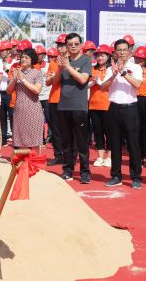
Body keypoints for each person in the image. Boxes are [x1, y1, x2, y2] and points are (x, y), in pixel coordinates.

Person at [101, 38, 143, 189]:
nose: (122, 52)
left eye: (125, 49)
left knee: (133, 144)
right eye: (119, 50)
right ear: (115, 52)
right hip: (114, 109)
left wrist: (123, 73)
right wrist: (113, 75)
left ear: (130, 51)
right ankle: (116, 175)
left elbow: (138, 84)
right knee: (115, 144)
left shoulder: (136, 67)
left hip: (130, 108)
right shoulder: (109, 69)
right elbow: (103, 88)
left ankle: (136, 177)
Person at [52, 33, 93, 183]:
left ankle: (85, 172)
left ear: (81, 45)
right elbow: (54, 82)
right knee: (66, 142)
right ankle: (67, 170)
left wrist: (68, 67)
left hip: (79, 107)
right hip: (63, 106)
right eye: (70, 44)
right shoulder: (63, 61)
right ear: (67, 46)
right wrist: (60, 68)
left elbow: (83, 79)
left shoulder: (85, 61)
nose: (73, 46)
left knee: (81, 142)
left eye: (76, 44)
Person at [6, 48, 44, 150]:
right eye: (22, 57)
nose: (23, 59)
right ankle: (23, 163)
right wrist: (14, 78)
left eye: (27, 57)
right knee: (21, 139)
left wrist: (23, 79)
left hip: (33, 109)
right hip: (19, 110)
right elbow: (8, 91)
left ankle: (35, 162)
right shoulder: (16, 71)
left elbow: (37, 90)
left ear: (32, 59)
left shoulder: (37, 73)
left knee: (34, 139)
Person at [45, 34, 67, 166]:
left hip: (68, 100)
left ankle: (69, 154)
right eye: (58, 45)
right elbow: (48, 82)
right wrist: (54, 77)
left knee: (68, 130)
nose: (59, 48)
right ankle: (58, 155)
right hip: (54, 99)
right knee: (56, 130)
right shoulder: (53, 63)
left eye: (62, 45)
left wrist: (57, 76)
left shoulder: (73, 62)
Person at [89, 44, 112, 167]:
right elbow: (86, 85)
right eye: (98, 55)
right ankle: (100, 156)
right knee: (97, 132)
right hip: (94, 104)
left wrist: (97, 81)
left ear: (108, 56)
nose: (100, 58)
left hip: (108, 104)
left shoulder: (111, 69)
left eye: (102, 55)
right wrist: (94, 81)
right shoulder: (93, 69)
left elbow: (106, 84)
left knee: (109, 132)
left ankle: (109, 157)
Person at [0, 40, 15, 146]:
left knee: (13, 116)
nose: (2, 52)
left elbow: (14, 78)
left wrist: (6, 69)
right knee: (2, 117)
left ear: (9, 51)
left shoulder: (14, 63)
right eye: (0, 51)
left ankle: (16, 139)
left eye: (4, 50)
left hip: (10, 93)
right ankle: (3, 139)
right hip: (0, 93)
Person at [35, 45, 52, 143]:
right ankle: (40, 137)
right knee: (38, 118)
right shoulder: (33, 66)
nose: (38, 56)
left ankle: (51, 135)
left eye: (40, 54)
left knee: (49, 117)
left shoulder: (49, 65)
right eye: (37, 54)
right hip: (37, 96)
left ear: (44, 55)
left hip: (47, 96)